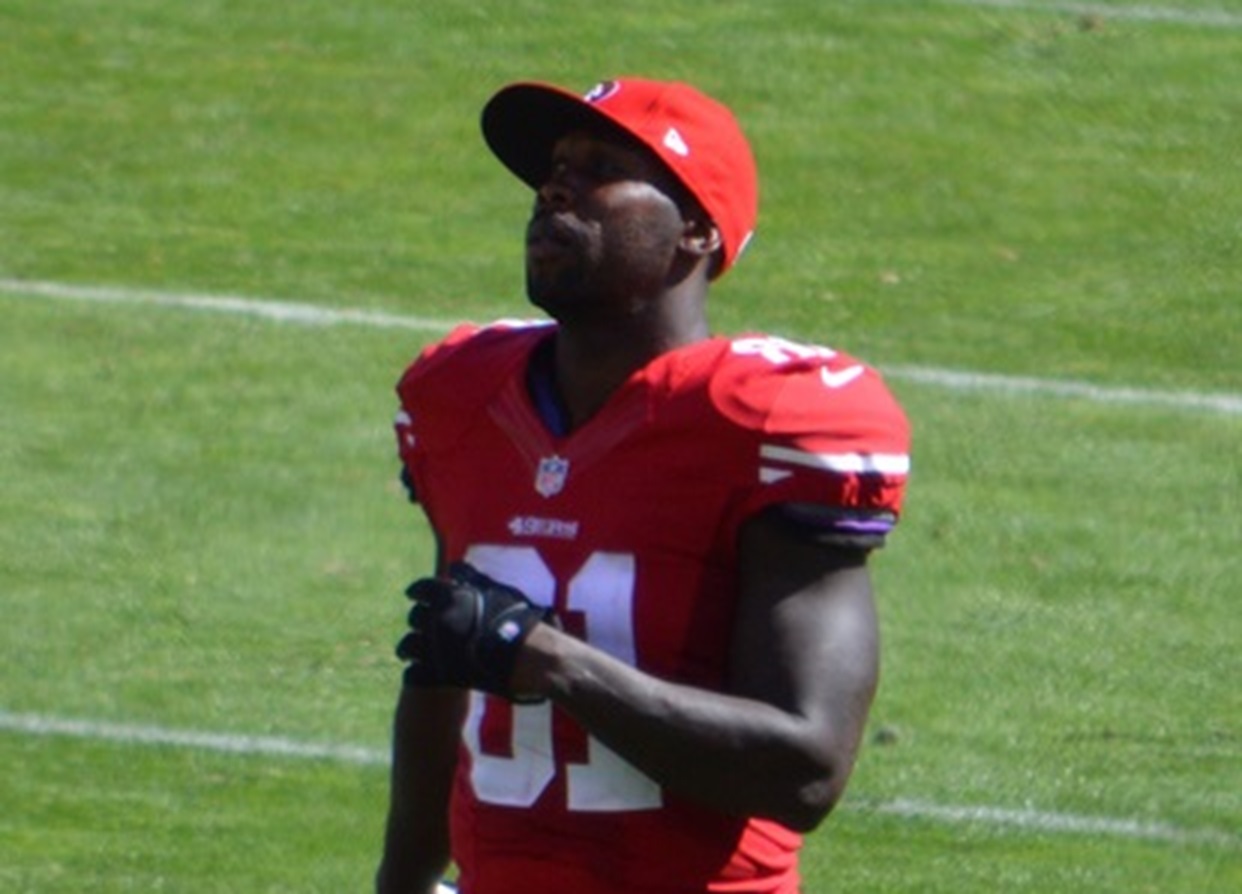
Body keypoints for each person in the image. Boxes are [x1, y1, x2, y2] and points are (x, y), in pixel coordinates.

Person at [376, 77, 911, 894]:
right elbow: (442, 673)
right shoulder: (462, 396)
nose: (558, 187)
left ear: (696, 228)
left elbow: (804, 769)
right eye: (556, 168)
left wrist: (550, 661)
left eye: (603, 169)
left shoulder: (765, 424)